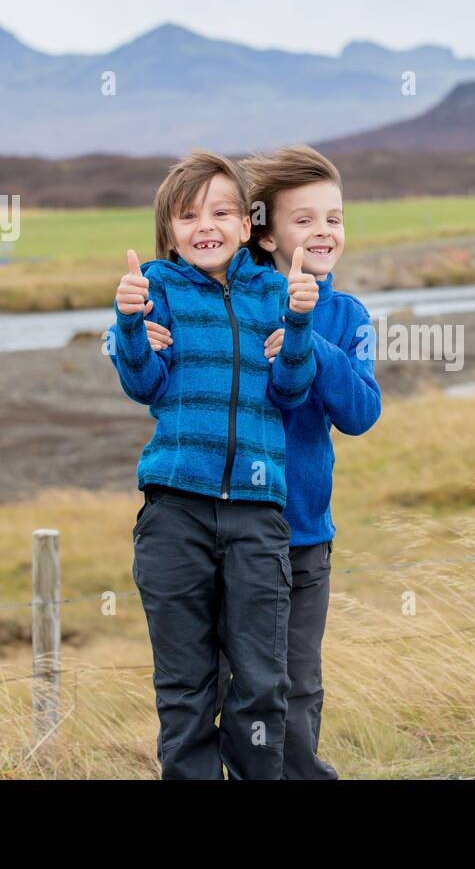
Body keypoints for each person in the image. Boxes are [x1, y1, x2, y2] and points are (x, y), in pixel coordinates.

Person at [145, 145, 381, 778]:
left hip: (303, 533)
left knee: (291, 689)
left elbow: (361, 413)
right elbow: (168, 359)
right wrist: (130, 333)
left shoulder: (346, 314)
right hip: (232, 525)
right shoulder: (240, 297)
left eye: (334, 218)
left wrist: (309, 335)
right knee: (214, 683)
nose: (323, 232)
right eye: (303, 220)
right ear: (264, 228)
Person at [110, 150, 318, 779]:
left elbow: (291, 391)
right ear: (168, 227)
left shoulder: (274, 292)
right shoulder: (154, 290)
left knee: (260, 684)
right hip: (175, 511)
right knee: (185, 690)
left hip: (258, 516)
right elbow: (143, 383)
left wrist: (300, 327)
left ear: (245, 220)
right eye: (189, 214)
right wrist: (127, 326)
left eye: (222, 211)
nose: (207, 225)